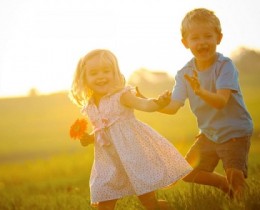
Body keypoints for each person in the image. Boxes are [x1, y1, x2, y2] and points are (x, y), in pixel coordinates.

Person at [148, 8, 253, 200]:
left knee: (235, 176)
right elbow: (173, 107)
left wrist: (200, 91)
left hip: (235, 132)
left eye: (208, 36)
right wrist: (154, 103)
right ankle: (224, 185)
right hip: (209, 134)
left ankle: (241, 196)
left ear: (218, 38)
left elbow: (221, 102)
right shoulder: (184, 73)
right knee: (187, 172)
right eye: (195, 38)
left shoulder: (224, 66)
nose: (202, 42)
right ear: (185, 43)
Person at [69, 49, 192, 210]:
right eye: (94, 73)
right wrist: (90, 138)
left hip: (132, 155)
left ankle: (161, 207)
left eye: (106, 71)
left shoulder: (121, 95)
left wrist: (157, 102)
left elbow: (143, 104)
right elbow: (103, 129)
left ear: (115, 73)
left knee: (148, 202)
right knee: (104, 199)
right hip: (108, 160)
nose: (101, 76)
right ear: (84, 78)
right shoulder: (90, 105)